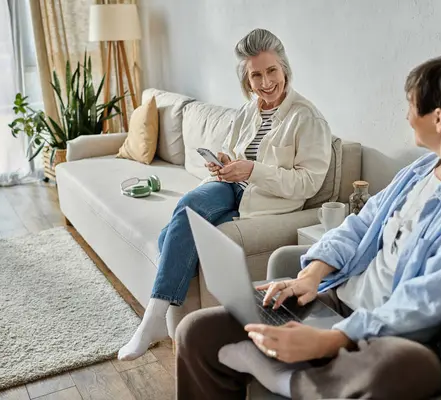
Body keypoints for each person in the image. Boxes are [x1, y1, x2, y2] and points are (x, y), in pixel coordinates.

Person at [174, 54, 441, 399]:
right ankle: (300, 375)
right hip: (335, 301)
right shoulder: (421, 171)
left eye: (411, 106)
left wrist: (331, 339)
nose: (407, 117)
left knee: (407, 369)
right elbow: (361, 224)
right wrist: (311, 276)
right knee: (197, 331)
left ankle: (289, 381)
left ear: (438, 119)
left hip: (383, 336)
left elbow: (424, 300)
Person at [117, 28, 332, 361]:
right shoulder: (249, 110)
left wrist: (251, 171)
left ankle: (153, 320)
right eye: (256, 75)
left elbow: (307, 184)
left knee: (173, 236)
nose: (265, 82)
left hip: (264, 200)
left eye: (271, 71)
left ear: (285, 68)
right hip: (231, 186)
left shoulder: (308, 118)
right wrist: (226, 164)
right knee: (188, 208)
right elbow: (233, 150)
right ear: (246, 80)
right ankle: (154, 320)